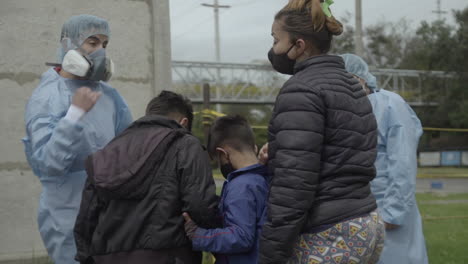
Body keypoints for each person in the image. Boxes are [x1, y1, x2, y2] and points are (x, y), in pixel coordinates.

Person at [259, 1, 385, 263]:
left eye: (276, 40)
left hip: (328, 232)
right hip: (365, 222)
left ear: (299, 46)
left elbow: (294, 184)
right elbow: (342, 149)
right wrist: (280, 151)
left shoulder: (301, 89)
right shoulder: (350, 84)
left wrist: (272, 252)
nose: (273, 49)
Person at [22, 14, 133, 264]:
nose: (100, 52)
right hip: (66, 218)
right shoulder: (47, 97)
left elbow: (128, 146)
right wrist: (74, 115)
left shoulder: (109, 95)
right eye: (92, 43)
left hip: (109, 215)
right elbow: (48, 164)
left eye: (104, 45)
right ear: (67, 45)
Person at [74, 90, 219, 264]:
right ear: (184, 122)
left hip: (106, 257)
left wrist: (86, 257)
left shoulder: (109, 150)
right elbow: (200, 206)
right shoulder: (185, 144)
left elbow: (86, 217)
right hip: (168, 255)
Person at [341, 53, 428, 264]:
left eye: (347, 79)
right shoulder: (341, 111)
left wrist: (393, 212)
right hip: (354, 213)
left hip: (388, 211)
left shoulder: (390, 104)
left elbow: (403, 161)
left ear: (361, 78)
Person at [182, 115, 269, 264]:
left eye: (217, 160)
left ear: (223, 154)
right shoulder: (263, 179)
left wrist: (200, 235)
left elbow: (241, 237)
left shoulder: (241, 186)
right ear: (254, 147)